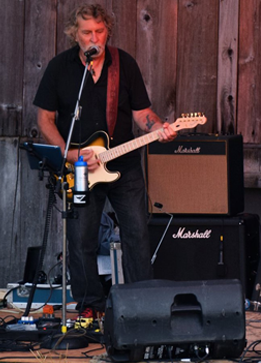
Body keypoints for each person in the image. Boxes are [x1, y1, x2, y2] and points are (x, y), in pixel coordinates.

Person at [33, 4, 176, 319]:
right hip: (80, 168)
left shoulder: (124, 64)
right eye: (87, 32)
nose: (94, 38)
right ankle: (90, 306)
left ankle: (142, 305)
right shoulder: (60, 68)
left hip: (124, 164)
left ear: (107, 31)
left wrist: (158, 127)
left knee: (136, 234)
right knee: (81, 237)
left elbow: (142, 113)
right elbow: (45, 119)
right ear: (75, 34)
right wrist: (69, 154)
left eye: (99, 31)